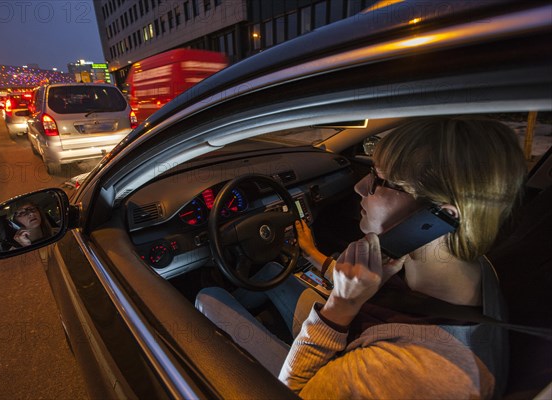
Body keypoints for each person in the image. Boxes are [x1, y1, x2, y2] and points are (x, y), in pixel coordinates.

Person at [196, 116, 526, 399]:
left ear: (441, 214)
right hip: (356, 333)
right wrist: (312, 254)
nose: (359, 187)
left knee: (209, 298)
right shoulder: (472, 267)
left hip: (313, 372)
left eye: (379, 181)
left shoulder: (400, 373)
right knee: (271, 268)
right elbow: (377, 285)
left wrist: (340, 306)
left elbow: (289, 391)